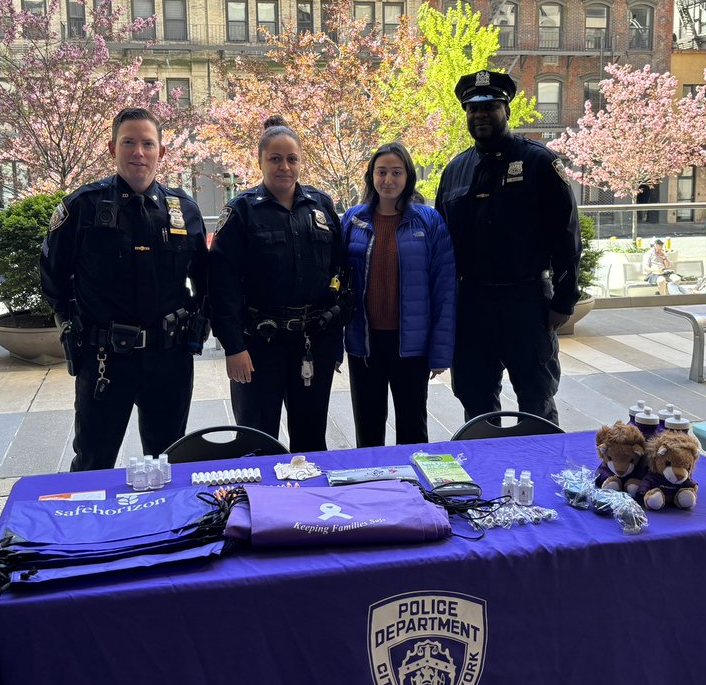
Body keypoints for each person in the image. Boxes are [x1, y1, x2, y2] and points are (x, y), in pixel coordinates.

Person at [40, 107, 209, 471]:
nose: (139, 152)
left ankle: (164, 529)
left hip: (169, 359)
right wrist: (76, 325)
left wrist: (196, 329)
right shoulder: (82, 207)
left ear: (161, 152)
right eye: (128, 142)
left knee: (167, 462)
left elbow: (205, 280)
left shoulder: (184, 211)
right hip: (105, 359)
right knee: (93, 462)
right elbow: (53, 274)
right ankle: (90, 528)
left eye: (148, 144)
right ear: (112, 148)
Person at [435, 70, 581, 426]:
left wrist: (564, 299)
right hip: (472, 304)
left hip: (526, 301)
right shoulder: (455, 171)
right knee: (475, 397)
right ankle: (488, 469)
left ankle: (544, 469)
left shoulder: (539, 163)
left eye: (490, 106)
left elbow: (567, 234)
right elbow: (441, 246)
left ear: (507, 111)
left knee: (537, 396)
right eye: (472, 108)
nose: (480, 114)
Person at [209, 118, 350, 451]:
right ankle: (259, 503)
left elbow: (341, 271)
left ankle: (307, 503)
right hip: (258, 344)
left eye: (292, 158)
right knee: (258, 441)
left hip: (312, 341)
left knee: (312, 438)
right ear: (260, 161)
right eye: (275, 158)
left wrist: (334, 340)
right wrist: (233, 347)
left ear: (301, 161)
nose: (284, 166)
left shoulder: (321, 206)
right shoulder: (241, 211)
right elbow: (221, 284)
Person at [341, 142, 456, 447]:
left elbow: (444, 289)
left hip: (412, 346)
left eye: (396, 172)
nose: (388, 180)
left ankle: (414, 492)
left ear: (408, 177)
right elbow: (336, 283)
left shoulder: (429, 221)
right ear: (371, 176)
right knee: (367, 429)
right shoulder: (353, 221)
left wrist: (440, 351)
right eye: (381, 172)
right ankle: (371, 490)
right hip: (364, 343)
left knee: (413, 428)